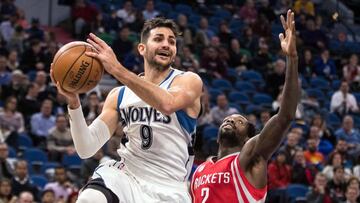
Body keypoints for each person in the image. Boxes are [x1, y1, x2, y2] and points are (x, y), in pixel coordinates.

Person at [50, 17, 202, 202]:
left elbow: (167, 104)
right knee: (89, 199)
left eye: (172, 41)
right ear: (141, 48)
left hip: (169, 186)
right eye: (158, 39)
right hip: (127, 176)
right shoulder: (119, 95)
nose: (166, 45)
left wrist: (117, 69)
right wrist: (74, 103)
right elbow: (86, 148)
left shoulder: (188, 80)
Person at [190, 10, 299, 202]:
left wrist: (292, 58)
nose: (231, 120)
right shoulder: (198, 172)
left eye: (239, 122)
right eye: (228, 119)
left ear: (249, 137)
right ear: (216, 138)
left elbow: (285, 116)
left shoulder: (251, 157)